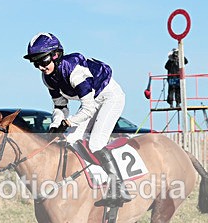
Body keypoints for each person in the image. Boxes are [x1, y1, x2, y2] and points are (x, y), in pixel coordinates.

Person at [23, 32, 131, 203]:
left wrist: (68, 122)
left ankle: (119, 188)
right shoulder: (48, 78)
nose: (40, 67)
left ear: (56, 55)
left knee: (96, 143)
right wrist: (55, 125)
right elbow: (60, 106)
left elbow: (88, 109)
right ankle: (89, 183)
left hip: (110, 97)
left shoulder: (74, 72)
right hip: (93, 101)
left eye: (43, 61)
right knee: (71, 139)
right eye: (36, 63)